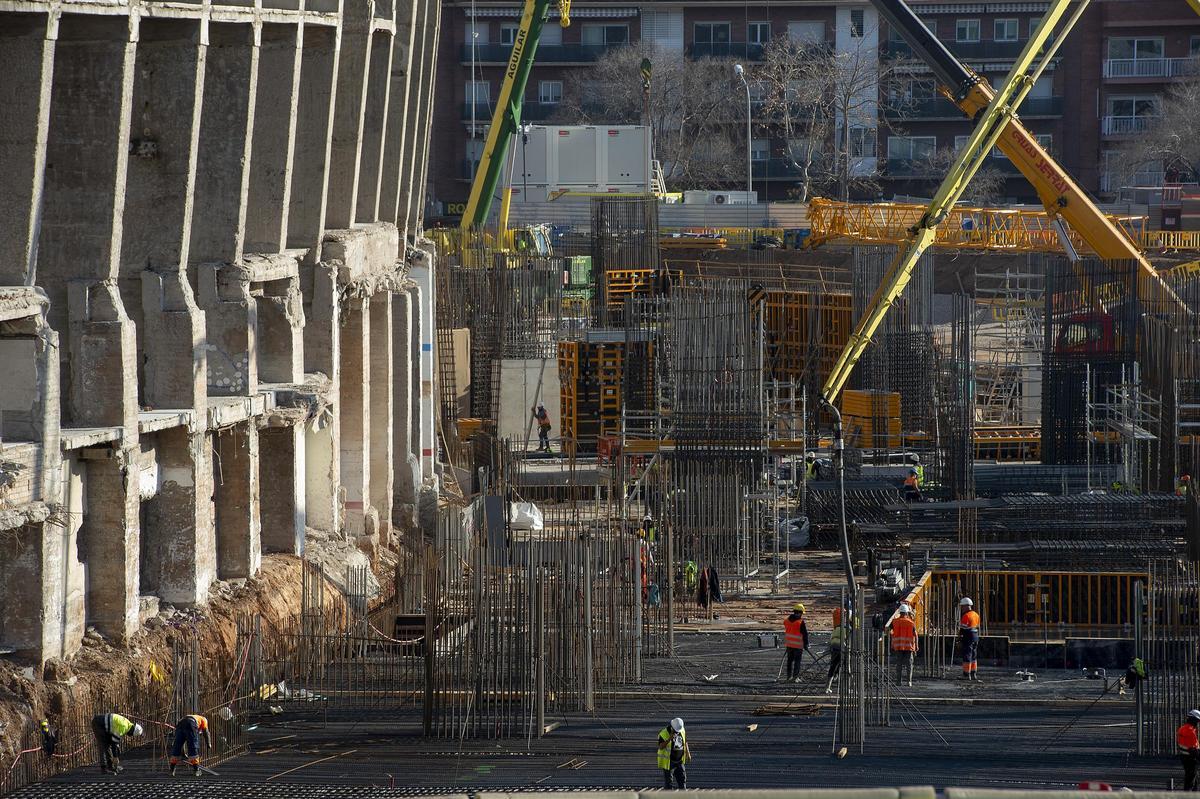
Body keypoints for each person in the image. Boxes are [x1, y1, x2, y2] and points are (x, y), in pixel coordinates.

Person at [657, 717, 691, 789]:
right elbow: (661, 747)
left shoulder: (681, 730)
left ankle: (683, 794)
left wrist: (688, 753)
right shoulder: (664, 733)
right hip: (669, 762)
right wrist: (669, 739)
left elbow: (685, 741)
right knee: (669, 783)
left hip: (679, 761)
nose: (677, 732)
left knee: (682, 779)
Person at [889, 603, 918, 687]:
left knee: (899, 664)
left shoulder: (894, 622)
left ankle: (898, 682)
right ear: (907, 613)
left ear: (900, 612)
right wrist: (916, 646)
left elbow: (890, 632)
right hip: (909, 647)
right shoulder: (911, 623)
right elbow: (915, 634)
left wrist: (892, 642)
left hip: (898, 646)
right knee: (909, 664)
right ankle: (909, 682)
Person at [783, 603, 810, 683]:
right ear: (800, 613)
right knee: (797, 662)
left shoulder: (786, 620)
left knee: (789, 662)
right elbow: (805, 634)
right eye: (801, 613)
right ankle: (795, 678)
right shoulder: (800, 622)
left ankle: (789, 677)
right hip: (798, 646)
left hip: (789, 645)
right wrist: (806, 644)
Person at [959, 597, 981, 681]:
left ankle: (966, 674)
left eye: (962, 606)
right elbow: (977, 626)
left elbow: (962, 629)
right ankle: (973, 673)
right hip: (975, 636)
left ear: (966, 606)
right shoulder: (976, 615)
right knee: (974, 655)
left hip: (968, 636)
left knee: (967, 655)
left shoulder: (966, 616)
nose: (961, 608)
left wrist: (959, 638)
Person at [825, 608, 846, 694]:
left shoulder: (836, 628)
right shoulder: (846, 628)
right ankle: (847, 687)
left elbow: (831, 639)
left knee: (833, 667)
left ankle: (827, 687)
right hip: (842, 648)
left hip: (834, 647)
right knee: (846, 668)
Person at [1179, 710, 1200, 790]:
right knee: (1190, 781)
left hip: (1184, 757)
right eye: (1197, 721)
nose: (1197, 723)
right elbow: (1193, 748)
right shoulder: (1190, 731)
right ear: (1193, 720)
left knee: (1193, 779)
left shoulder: (1182, 728)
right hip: (1191, 758)